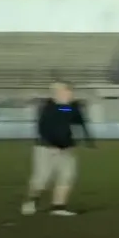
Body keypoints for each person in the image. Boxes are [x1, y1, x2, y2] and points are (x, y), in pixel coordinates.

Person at [21, 81, 95, 216]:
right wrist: (54, 143)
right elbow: (44, 127)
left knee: (67, 176)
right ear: (59, 93)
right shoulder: (48, 107)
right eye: (68, 91)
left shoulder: (68, 108)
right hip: (47, 147)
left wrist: (87, 139)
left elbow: (76, 118)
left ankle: (58, 207)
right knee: (42, 178)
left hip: (66, 147)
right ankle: (31, 201)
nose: (71, 93)